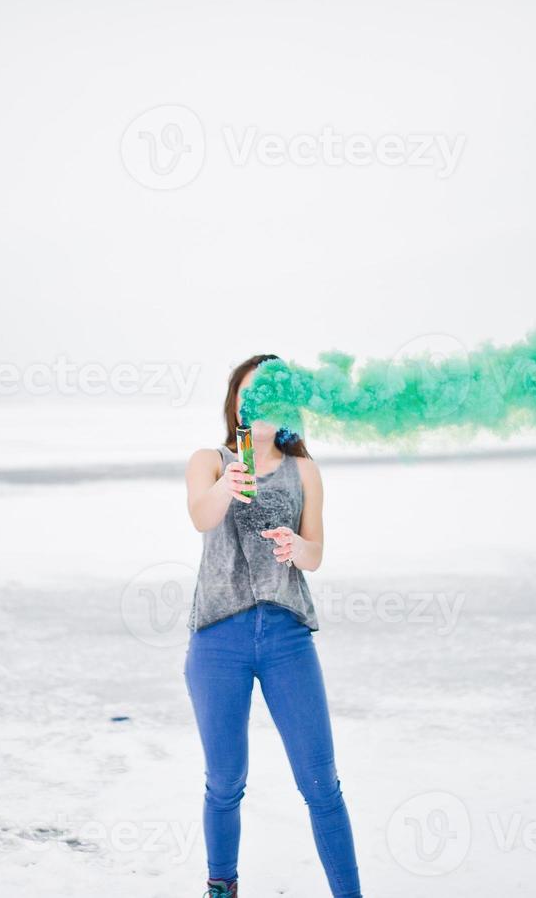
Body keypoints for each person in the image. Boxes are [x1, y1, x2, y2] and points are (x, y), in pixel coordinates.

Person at [182, 354, 362, 898]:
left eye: (270, 391)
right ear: (235, 401)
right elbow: (200, 515)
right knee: (225, 781)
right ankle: (222, 888)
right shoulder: (210, 460)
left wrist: (296, 546)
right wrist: (227, 484)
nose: (256, 400)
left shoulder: (304, 468)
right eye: (247, 390)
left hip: (286, 636)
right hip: (218, 636)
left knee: (320, 783)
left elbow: (315, 553)